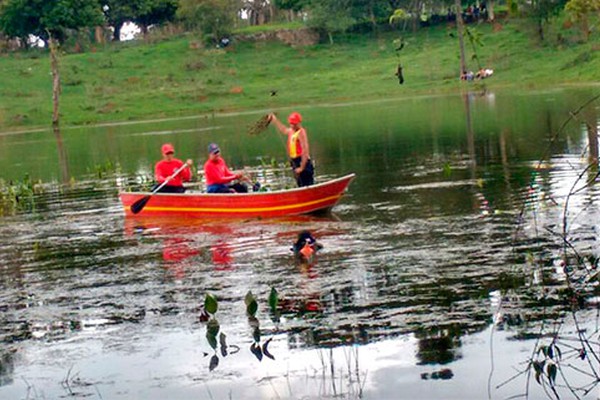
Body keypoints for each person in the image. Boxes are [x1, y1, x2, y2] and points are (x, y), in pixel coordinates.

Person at [268, 111, 315, 187]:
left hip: (302, 162)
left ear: (299, 123)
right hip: (295, 162)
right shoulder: (291, 131)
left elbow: (305, 150)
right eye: (291, 124)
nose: (292, 125)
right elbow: (283, 129)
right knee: (300, 184)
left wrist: (302, 167)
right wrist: (275, 120)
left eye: (294, 124)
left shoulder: (301, 132)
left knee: (307, 184)